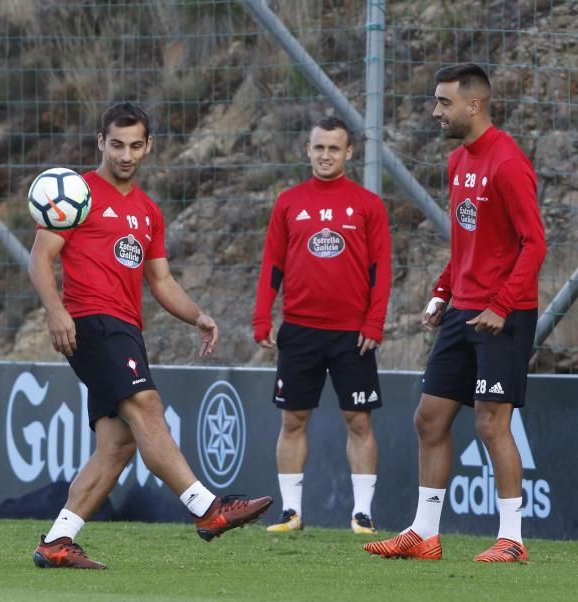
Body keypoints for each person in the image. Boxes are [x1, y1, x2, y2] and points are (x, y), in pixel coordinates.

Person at [28, 102, 273, 570]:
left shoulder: (147, 212)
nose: (125, 154)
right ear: (101, 141)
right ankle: (206, 507)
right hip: (92, 323)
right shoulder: (76, 193)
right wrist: (56, 311)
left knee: (117, 446)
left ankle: (58, 541)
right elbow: (39, 258)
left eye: (135, 145)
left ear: (149, 146)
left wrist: (196, 314)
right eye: (116, 144)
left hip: (126, 328)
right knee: (148, 406)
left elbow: (160, 281)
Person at [364, 63, 546, 563]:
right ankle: (424, 534)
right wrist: (444, 290)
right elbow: (468, 241)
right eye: (436, 101)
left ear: (474, 104)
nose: (435, 111)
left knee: (491, 424)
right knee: (430, 419)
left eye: (444, 102)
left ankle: (512, 539)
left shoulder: (507, 163)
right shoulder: (457, 162)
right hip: (462, 310)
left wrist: (502, 305)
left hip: (503, 315)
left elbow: (535, 245)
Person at [253, 116, 392, 534]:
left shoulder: (368, 205)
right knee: (292, 421)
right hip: (299, 330)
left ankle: (362, 513)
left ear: (349, 153)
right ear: (308, 150)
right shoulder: (289, 202)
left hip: (353, 334)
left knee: (359, 421)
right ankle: (290, 512)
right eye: (319, 148)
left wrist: (375, 321)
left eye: (334, 148)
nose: (326, 155)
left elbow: (380, 269)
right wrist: (263, 315)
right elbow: (272, 265)